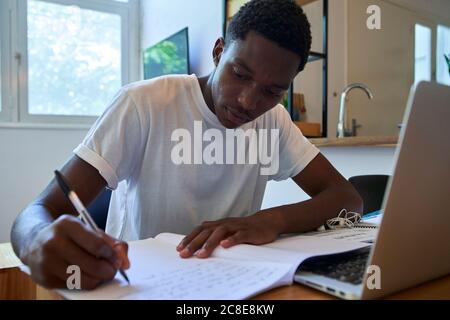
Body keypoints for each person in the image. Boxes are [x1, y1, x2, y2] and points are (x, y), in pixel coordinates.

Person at [11, 0, 362, 290]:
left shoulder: (274, 121)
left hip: (231, 284)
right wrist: (35, 240)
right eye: (239, 74)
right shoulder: (145, 103)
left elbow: (347, 198)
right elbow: (38, 211)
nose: (247, 102)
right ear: (218, 51)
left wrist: (271, 220)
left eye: (272, 92)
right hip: (140, 284)